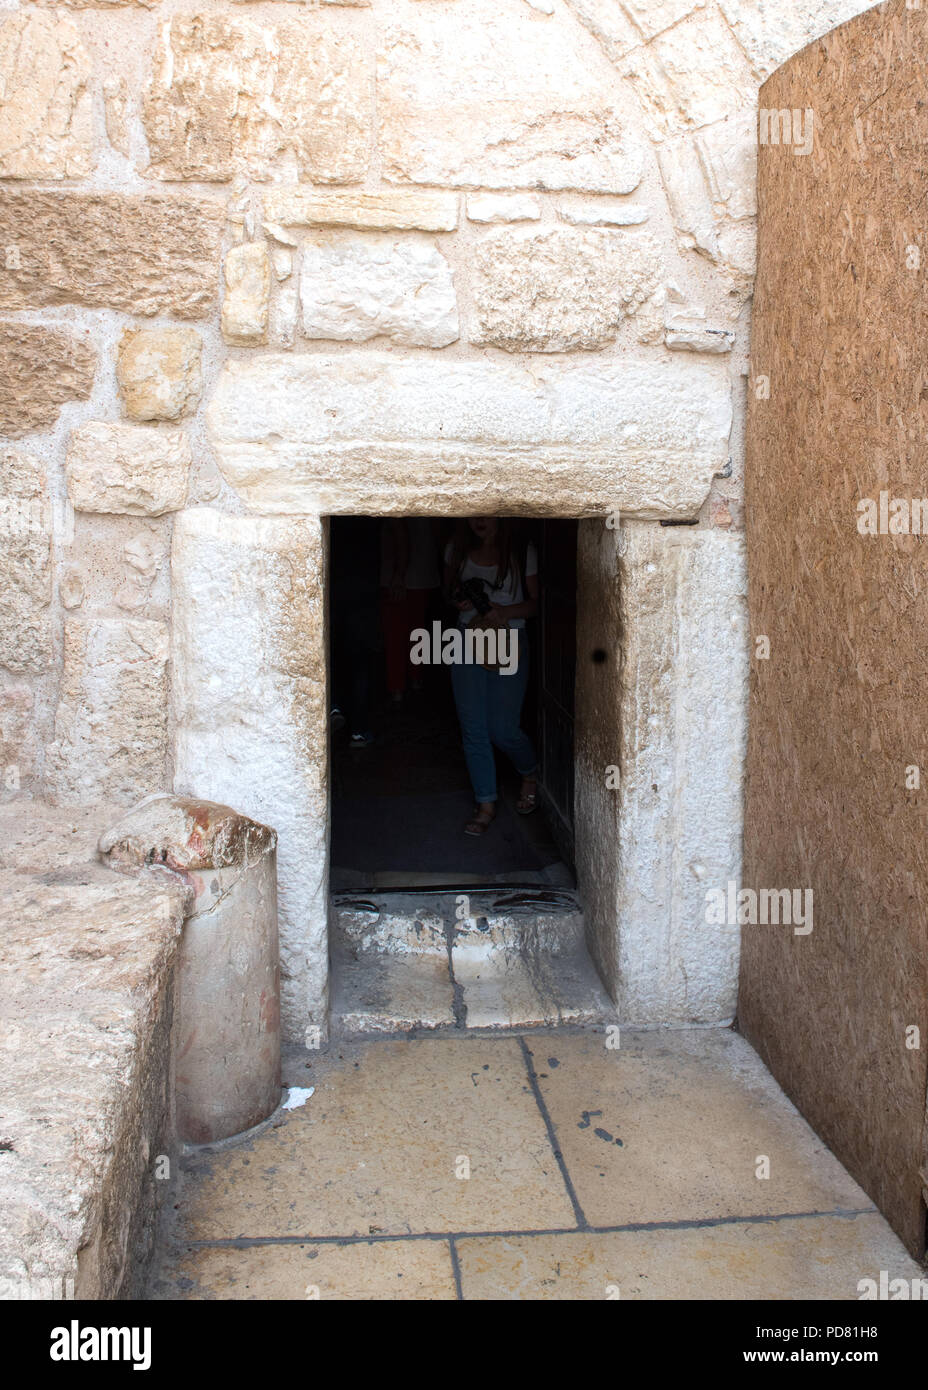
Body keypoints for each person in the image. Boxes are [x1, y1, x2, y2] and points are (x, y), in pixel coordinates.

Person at [443, 517, 539, 836]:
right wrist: (459, 600)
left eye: (486, 515)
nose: (479, 521)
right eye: (473, 514)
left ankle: (529, 771)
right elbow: (447, 594)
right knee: (473, 727)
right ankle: (485, 803)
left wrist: (504, 611)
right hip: (466, 639)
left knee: (503, 729)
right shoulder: (456, 550)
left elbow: (535, 605)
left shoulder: (522, 551)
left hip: (508, 640)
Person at [380, 518, 440, 702]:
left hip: (399, 577)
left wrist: (399, 573)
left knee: (396, 635)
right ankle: (416, 680)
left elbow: (400, 532)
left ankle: (397, 687)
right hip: (422, 572)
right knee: (418, 632)